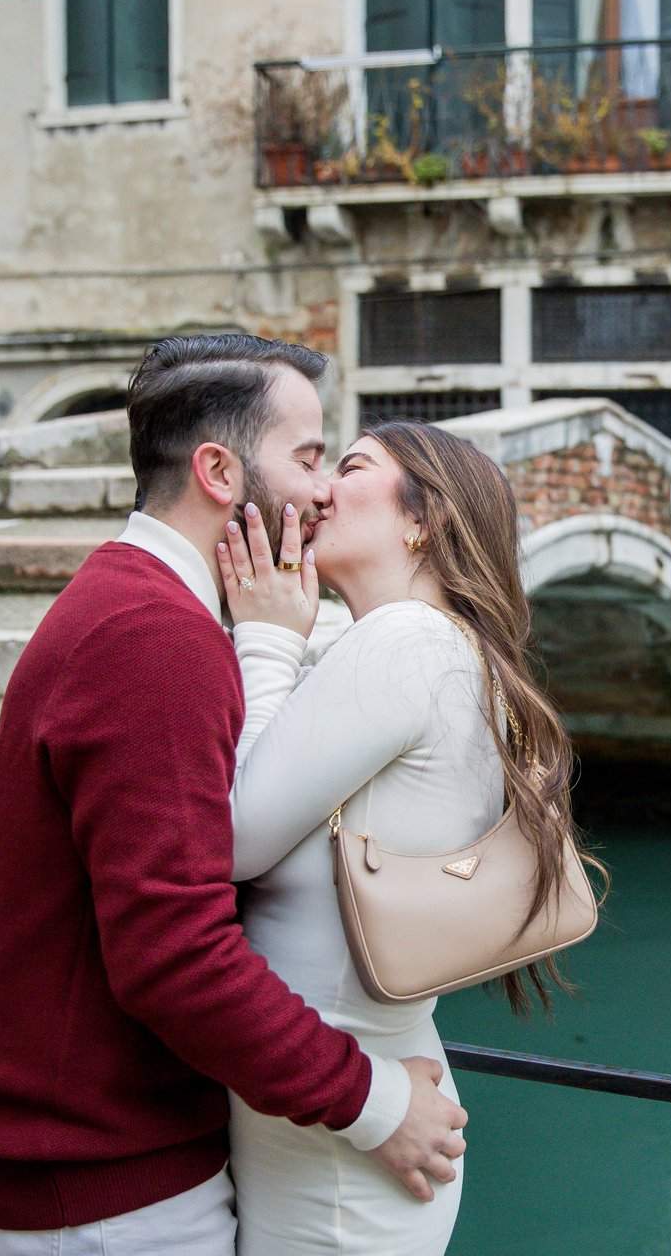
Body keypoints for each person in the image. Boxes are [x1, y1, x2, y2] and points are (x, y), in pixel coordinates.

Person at [0, 336, 467, 1254]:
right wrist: (377, 1103)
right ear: (219, 472)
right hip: (108, 1194)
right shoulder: (159, 640)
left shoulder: (132, 604)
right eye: (307, 458)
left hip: (91, 1173)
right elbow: (174, 957)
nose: (320, 491)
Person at [214, 419, 596, 1255]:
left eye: (352, 466)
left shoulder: (404, 642)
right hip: (353, 1111)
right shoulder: (444, 648)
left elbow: (233, 837)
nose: (321, 489)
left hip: (340, 1163)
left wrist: (268, 641)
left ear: (425, 518)